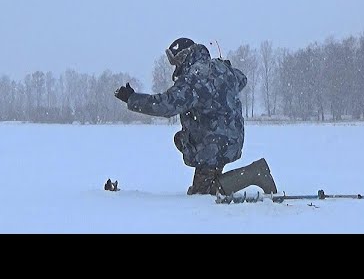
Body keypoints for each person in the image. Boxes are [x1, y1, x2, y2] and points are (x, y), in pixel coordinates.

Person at [114, 38, 277, 196]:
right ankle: (222, 178)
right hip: (231, 138)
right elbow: (241, 79)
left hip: (213, 144)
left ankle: (255, 173)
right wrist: (223, 70)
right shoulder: (220, 68)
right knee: (182, 140)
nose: (175, 66)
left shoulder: (194, 78)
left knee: (203, 194)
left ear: (184, 56)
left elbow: (166, 105)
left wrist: (132, 99)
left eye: (176, 61)